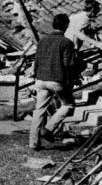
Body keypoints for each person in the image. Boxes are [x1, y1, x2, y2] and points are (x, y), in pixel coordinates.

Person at [29, 13, 77, 149]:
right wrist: (70, 81)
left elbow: (37, 60)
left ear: (53, 25)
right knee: (68, 105)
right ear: (66, 25)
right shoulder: (66, 42)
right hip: (57, 79)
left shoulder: (42, 41)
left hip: (41, 78)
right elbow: (68, 64)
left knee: (39, 110)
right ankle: (49, 128)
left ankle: (33, 142)